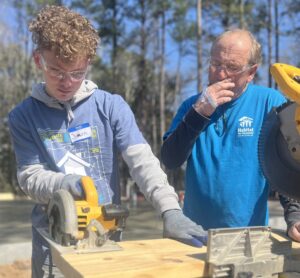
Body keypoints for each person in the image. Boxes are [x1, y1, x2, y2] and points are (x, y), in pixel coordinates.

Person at [8, 5, 207, 278]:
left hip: (105, 241)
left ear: (88, 63)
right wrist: (63, 183)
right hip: (52, 245)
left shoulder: (110, 106)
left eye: (77, 73)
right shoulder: (23, 116)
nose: (67, 82)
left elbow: (142, 162)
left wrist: (170, 209)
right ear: (38, 60)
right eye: (56, 71)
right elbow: (30, 177)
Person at [161, 29, 300, 241]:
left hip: (250, 237)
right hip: (195, 235)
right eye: (215, 64)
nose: (220, 74)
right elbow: (170, 159)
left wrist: (294, 216)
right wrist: (199, 114)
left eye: (232, 67)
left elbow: (289, 164)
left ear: (251, 72)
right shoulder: (191, 105)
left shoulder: (269, 103)